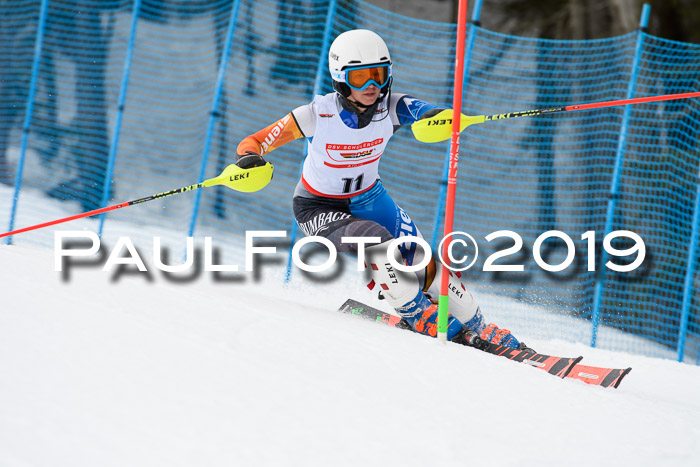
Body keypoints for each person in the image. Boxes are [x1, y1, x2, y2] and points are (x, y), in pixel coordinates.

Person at [235, 29, 529, 350]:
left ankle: (479, 326)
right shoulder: (316, 114)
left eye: (379, 74)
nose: (372, 86)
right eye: (360, 77)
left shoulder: (391, 106)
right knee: (374, 238)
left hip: (369, 197)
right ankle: (416, 312)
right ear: (340, 78)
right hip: (317, 207)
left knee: (422, 261)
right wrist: (249, 158)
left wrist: (442, 119)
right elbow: (255, 141)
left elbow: (427, 113)